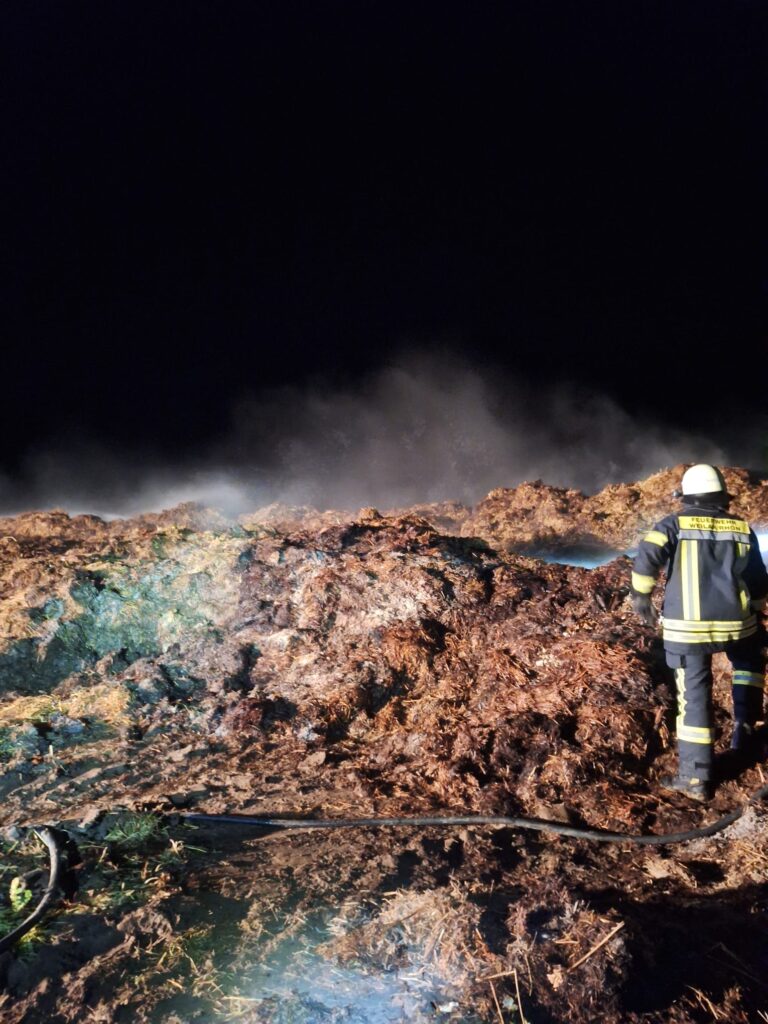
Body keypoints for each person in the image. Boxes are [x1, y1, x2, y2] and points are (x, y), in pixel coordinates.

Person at [631, 464, 768, 801]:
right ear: (722, 497)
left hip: (688, 631)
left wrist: (641, 596)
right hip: (738, 624)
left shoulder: (671, 525)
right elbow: (757, 577)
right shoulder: (740, 528)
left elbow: (647, 555)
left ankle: (696, 778)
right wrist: (759, 607)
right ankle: (747, 739)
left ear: (686, 498)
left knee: (694, 697)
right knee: (749, 669)